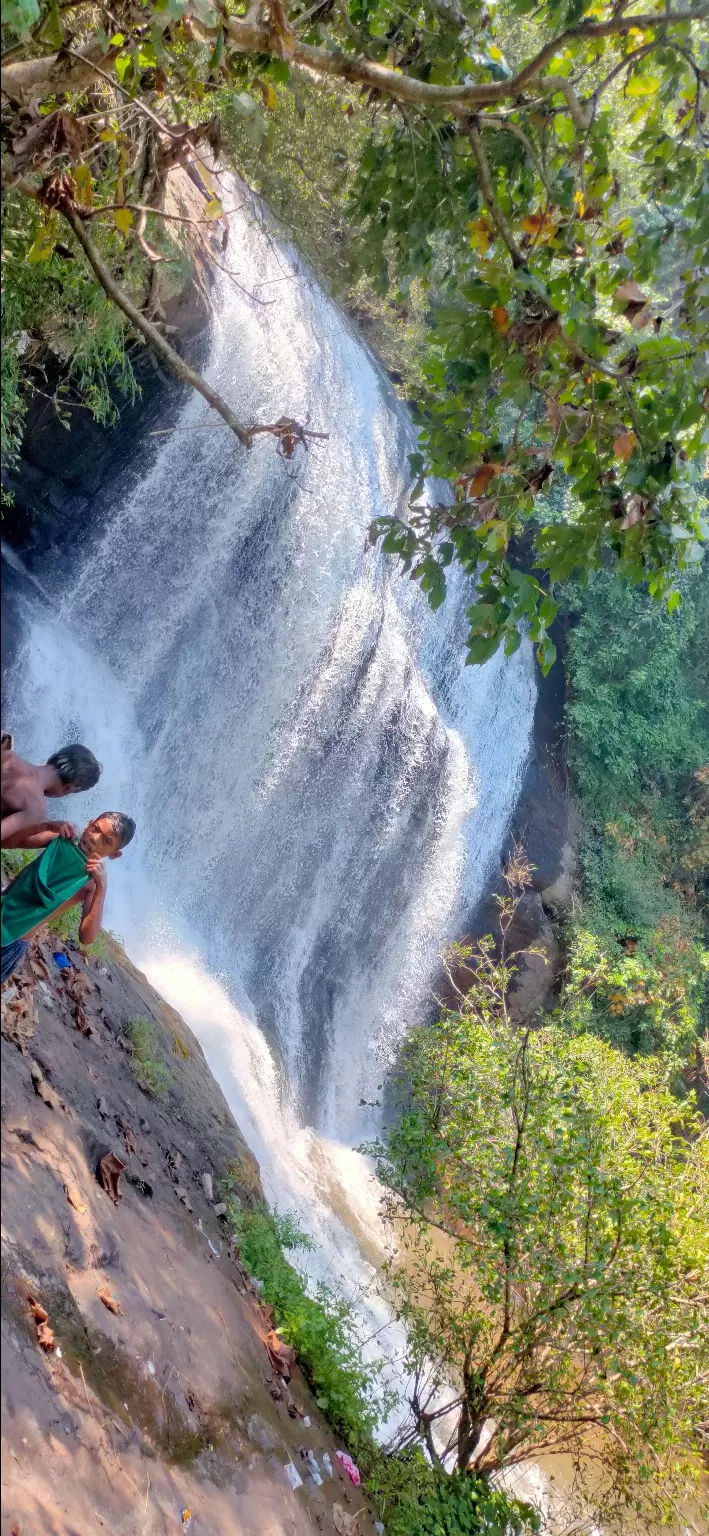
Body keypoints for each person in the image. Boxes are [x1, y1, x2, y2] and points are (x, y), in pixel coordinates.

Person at [1, 812, 135, 983]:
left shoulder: (92, 882)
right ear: (89, 823)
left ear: (115, 854)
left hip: (13, 938)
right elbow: (9, 841)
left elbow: (87, 938)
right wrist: (47, 826)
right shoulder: (61, 839)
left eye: (106, 841)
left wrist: (102, 887)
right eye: (95, 829)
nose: (95, 839)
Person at [1, 741, 102, 849]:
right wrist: (46, 827)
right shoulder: (36, 807)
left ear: (53, 756)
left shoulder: (9, 756)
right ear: (69, 787)